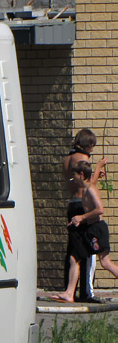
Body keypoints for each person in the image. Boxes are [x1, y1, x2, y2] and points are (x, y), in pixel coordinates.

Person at [53, 160, 118, 302]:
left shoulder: (90, 189)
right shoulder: (87, 187)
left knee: (105, 262)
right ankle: (69, 293)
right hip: (90, 229)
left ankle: (71, 293)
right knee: (74, 257)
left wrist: (81, 217)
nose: (73, 179)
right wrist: (78, 220)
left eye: (75, 175)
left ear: (81, 174)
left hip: (97, 230)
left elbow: (100, 209)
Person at [63, 129, 107, 302]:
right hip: (82, 206)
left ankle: (69, 289)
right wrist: (98, 168)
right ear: (87, 144)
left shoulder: (68, 158)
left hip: (71, 204)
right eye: (91, 146)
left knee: (73, 250)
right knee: (88, 249)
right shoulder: (83, 159)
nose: (92, 150)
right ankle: (87, 292)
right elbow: (88, 186)